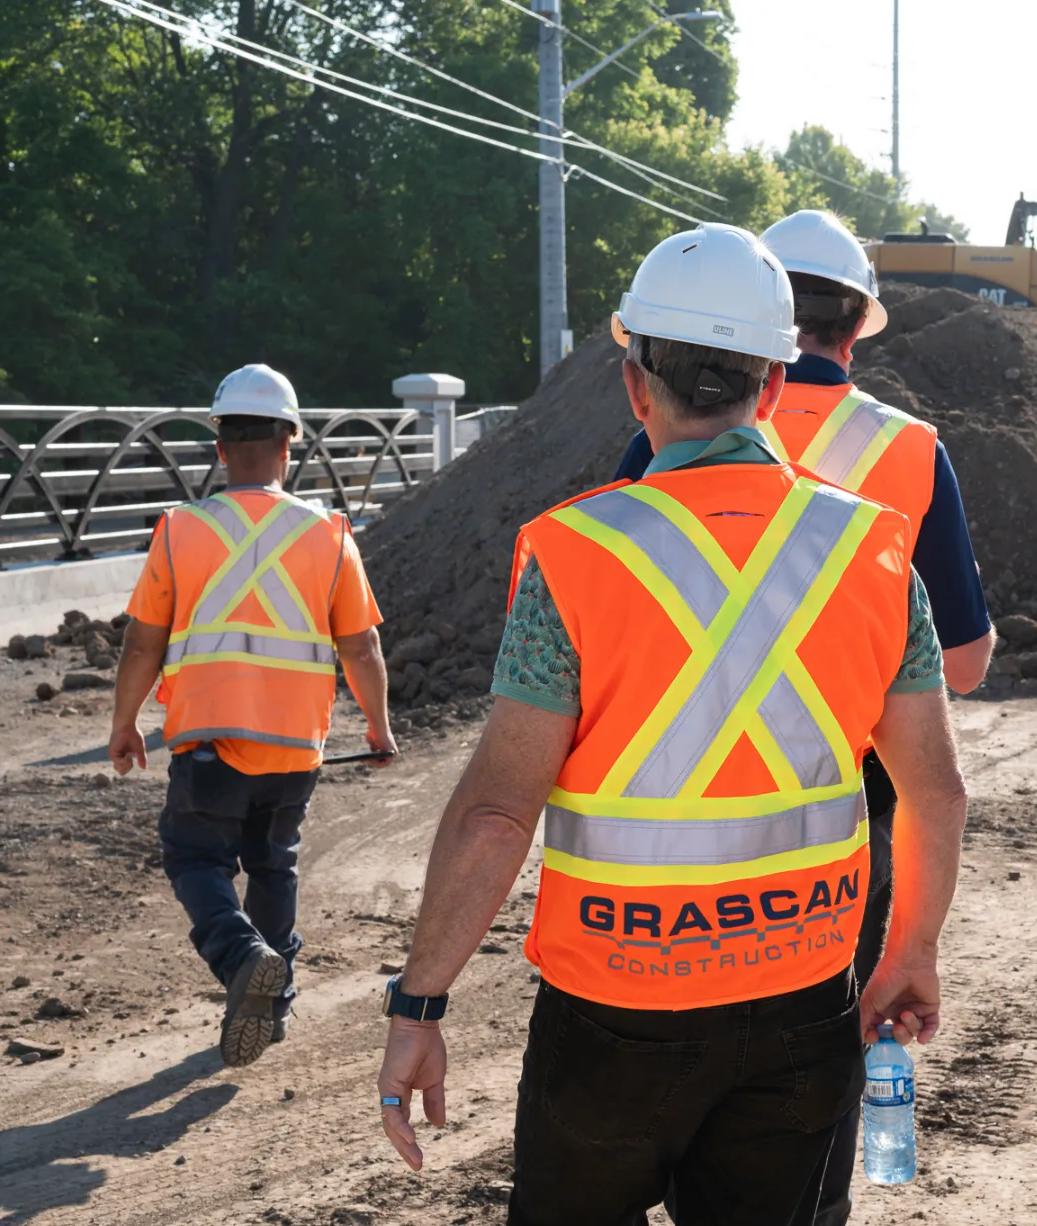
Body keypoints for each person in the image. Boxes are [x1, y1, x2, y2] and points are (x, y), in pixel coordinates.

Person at [375, 223, 970, 1226]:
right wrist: (910, 948)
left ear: (633, 384)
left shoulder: (571, 555)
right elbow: (935, 791)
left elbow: (493, 813)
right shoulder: (874, 552)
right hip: (804, 996)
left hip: (613, 1007)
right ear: (773, 386)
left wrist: (419, 1003)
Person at [611, 210, 992, 1222]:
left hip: (662, 826)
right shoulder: (909, 452)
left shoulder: (660, 435)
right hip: (835, 827)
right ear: (856, 326)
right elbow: (962, 660)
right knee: (796, 1117)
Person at [109, 363, 395, 1068]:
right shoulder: (329, 535)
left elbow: (144, 640)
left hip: (208, 741)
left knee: (193, 854)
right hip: (295, 745)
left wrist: (123, 723)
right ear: (288, 445)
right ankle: (276, 1003)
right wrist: (379, 726)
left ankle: (242, 959)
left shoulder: (179, 531)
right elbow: (361, 647)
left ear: (219, 448)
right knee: (273, 866)